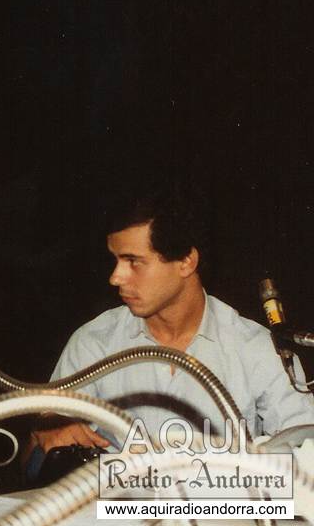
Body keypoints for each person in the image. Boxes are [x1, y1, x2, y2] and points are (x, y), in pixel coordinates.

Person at [23, 187, 314, 482]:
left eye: (133, 261)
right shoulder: (95, 343)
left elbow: (305, 461)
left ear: (186, 262)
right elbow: (30, 468)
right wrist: (47, 435)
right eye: (115, 260)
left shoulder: (257, 348)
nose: (115, 277)